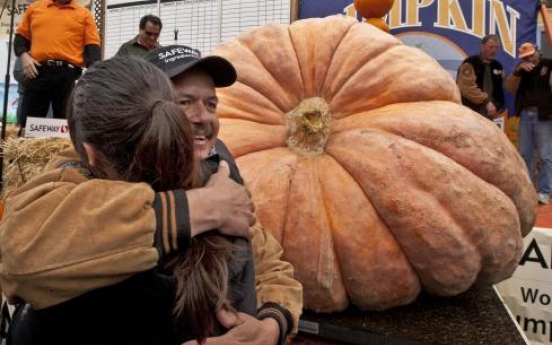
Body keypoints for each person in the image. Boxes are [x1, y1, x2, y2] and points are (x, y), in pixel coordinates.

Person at [0, 45, 303, 345]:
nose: (203, 117)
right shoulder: (87, 173)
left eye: (211, 104)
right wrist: (197, 208)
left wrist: (270, 327)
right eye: (183, 102)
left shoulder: (220, 175)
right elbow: (22, 251)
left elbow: (269, 264)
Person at [13, 0, 101, 131]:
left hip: (68, 75)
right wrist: (25, 57)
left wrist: (93, 75)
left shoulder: (84, 14)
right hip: (37, 71)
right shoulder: (34, 8)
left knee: (66, 125)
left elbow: (92, 49)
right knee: (29, 124)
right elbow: (20, 38)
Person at [504, 42, 552, 205]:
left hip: (544, 115)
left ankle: (545, 191)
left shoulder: (548, 64)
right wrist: (518, 71)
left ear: (537, 51)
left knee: (546, 155)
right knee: (525, 154)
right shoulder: (521, 69)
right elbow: (510, 88)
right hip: (525, 114)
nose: (529, 58)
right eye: (525, 57)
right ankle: (528, 190)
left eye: (531, 54)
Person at [456, 34, 505, 120]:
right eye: (491, 47)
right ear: (482, 47)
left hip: (491, 112)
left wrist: (498, 106)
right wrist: (486, 102)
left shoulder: (498, 66)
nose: (494, 50)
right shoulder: (470, 63)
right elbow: (466, 87)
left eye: (496, 47)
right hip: (471, 111)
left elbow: (500, 89)